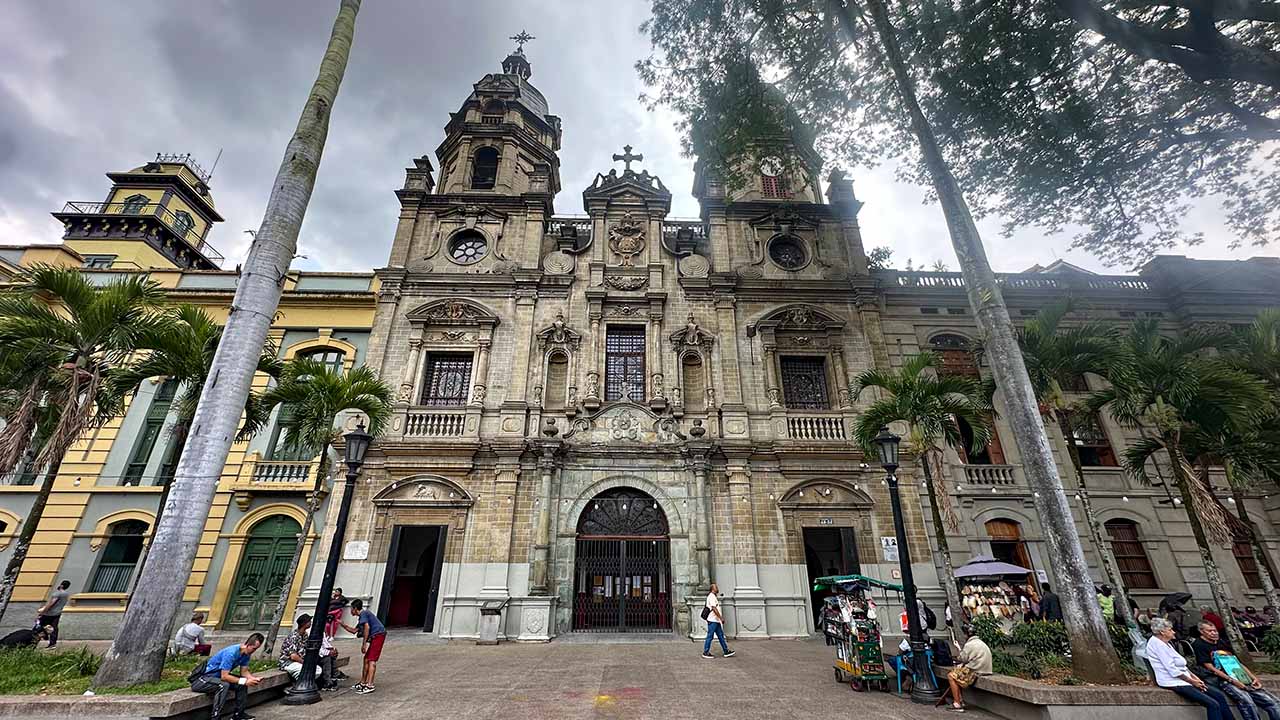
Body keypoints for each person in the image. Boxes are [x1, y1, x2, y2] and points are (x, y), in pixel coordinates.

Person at [1192, 620, 1280, 720]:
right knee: (1247, 702)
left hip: (1240, 676)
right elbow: (1210, 668)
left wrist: (1253, 678)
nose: (1214, 633)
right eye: (1210, 631)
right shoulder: (1199, 644)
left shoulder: (1222, 642)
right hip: (1224, 679)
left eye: (1215, 630)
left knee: (1273, 702)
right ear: (1202, 631)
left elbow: (1238, 663)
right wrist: (1232, 681)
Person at [1146, 617, 1230, 720]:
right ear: (1162, 632)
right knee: (1212, 704)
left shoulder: (1166, 643)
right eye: (1170, 630)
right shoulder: (1157, 644)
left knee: (1219, 696)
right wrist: (1192, 682)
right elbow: (1172, 670)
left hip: (1186, 679)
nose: (1173, 632)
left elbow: (1183, 667)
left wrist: (1195, 678)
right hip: (1174, 681)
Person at [190, 633, 263, 720]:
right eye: (254, 648)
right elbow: (224, 676)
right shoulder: (231, 653)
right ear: (248, 644)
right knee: (224, 685)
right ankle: (215, 717)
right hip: (202, 680)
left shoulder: (246, 654)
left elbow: (244, 672)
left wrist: (252, 679)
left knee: (242, 684)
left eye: (256, 649)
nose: (254, 651)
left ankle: (239, 715)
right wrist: (245, 681)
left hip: (217, 678)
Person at [935, 623, 992, 713]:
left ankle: (957, 703)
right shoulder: (981, 643)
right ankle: (961, 700)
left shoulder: (970, 645)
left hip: (976, 671)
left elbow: (962, 658)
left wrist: (958, 648)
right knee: (957, 674)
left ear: (967, 634)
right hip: (984, 669)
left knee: (951, 676)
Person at [339, 599, 386, 695]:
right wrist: (342, 624)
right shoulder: (362, 617)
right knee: (366, 659)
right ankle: (363, 682)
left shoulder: (364, 613)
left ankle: (370, 684)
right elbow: (354, 630)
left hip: (378, 635)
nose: (351, 611)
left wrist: (364, 644)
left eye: (351, 609)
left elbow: (367, 627)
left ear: (355, 608)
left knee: (372, 660)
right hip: (375, 636)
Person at [278, 614, 331, 689]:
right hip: (288, 662)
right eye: (309, 621)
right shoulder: (294, 637)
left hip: (301, 660)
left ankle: (301, 684)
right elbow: (293, 656)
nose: (310, 623)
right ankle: (297, 686)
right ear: (303, 624)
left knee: (318, 669)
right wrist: (305, 663)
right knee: (305, 670)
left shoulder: (305, 635)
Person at [700, 582, 735, 659]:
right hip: (713, 620)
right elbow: (714, 608)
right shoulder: (711, 597)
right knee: (710, 636)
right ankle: (705, 652)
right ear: (712, 589)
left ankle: (726, 651)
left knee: (721, 636)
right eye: (716, 587)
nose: (717, 588)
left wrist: (719, 619)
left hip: (715, 620)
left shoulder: (713, 596)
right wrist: (721, 618)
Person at [36, 580, 71, 648]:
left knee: (39, 626)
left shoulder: (57, 593)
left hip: (49, 613)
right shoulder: (66, 594)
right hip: (57, 613)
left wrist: (43, 612)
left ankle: (33, 640)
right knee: (54, 628)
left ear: (61, 585)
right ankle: (52, 644)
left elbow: (51, 603)